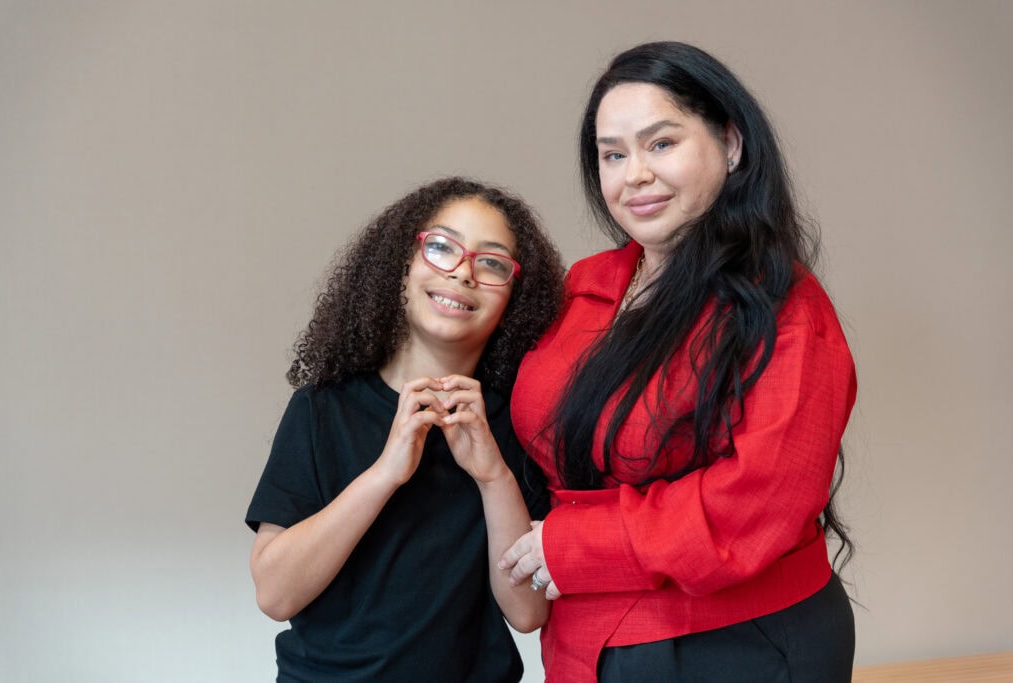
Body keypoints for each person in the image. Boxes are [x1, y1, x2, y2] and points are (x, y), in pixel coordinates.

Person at [499, 42, 858, 682]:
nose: (633, 174)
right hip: (580, 640)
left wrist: (573, 544)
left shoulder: (783, 307)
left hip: (732, 647)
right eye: (613, 154)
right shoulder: (583, 287)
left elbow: (755, 506)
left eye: (660, 143)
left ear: (730, 143)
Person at [246, 177, 565, 682]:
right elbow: (275, 594)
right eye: (441, 247)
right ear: (402, 265)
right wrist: (384, 474)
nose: (463, 272)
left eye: (492, 263)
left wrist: (493, 477)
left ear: (515, 301)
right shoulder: (322, 409)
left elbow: (528, 613)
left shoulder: (519, 422)